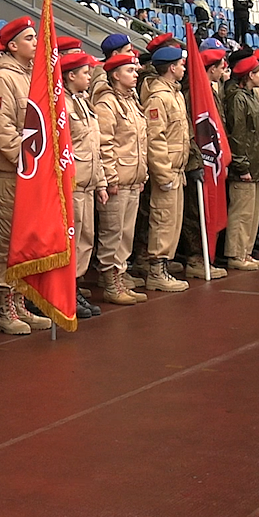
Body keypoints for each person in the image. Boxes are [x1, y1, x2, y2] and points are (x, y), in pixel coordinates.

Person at [0, 17, 53, 332]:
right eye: (29, 38)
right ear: (12, 45)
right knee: (7, 238)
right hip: (13, 172)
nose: (35, 43)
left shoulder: (30, 76)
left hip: (31, 172)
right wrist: (26, 164)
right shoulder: (3, 78)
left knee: (25, 238)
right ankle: (5, 304)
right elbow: (5, 131)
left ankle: (21, 300)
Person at [94, 53, 149, 305]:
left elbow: (140, 142)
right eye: (129, 70)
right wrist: (111, 177)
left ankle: (120, 277)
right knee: (112, 233)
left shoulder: (132, 101)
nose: (135, 73)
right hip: (118, 179)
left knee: (125, 234)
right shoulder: (107, 103)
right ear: (115, 75)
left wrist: (143, 173)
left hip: (133, 178)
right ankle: (109, 282)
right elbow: (105, 144)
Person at [62, 53, 108, 317]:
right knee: (73, 239)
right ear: (71, 75)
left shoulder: (83, 102)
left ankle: (75, 286)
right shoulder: (64, 107)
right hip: (73, 183)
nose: (89, 78)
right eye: (85, 73)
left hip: (88, 183)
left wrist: (100, 182)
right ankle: (67, 289)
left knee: (85, 240)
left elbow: (94, 148)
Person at [142, 46, 191, 292]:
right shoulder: (159, 97)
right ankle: (156, 270)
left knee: (173, 221)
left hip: (177, 168)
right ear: (171, 68)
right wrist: (162, 173)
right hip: (167, 170)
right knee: (162, 220)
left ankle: (164, 264)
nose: (184, 68)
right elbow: (155, 137)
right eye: (181, 65)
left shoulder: (176, 94)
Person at [223, 56, 259, 271]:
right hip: (246, 165)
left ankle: (246, 251)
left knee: (252, 212)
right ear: (249, 75)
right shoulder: (238, 98)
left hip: (255, 164)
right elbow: (237, 134)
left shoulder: (250, 96)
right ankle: (236, 253)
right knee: (241, 212)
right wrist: (241, 164)